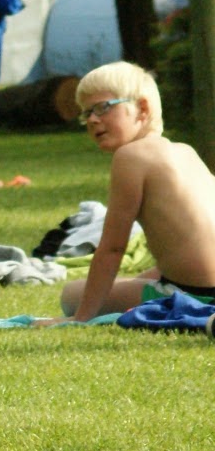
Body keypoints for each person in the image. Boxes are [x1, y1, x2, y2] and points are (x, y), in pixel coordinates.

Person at [55, 61, 215, 320]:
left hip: (193, 294)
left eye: (103, 107)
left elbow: (112, 248)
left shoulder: (130, 156)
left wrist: (80, 318)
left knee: (72, 294)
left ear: (142, 107)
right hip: (200, 281)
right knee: (145, 276)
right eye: (87, 113)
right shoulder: (186, 152)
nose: (93, 119)